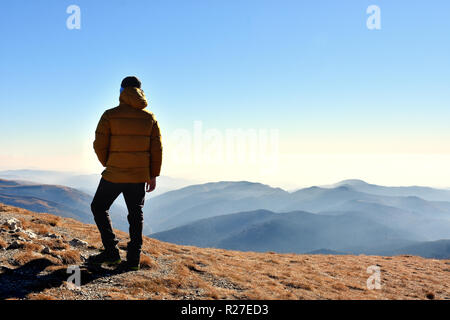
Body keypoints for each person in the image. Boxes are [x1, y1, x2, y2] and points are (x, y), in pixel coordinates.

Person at [89, 76, 163, 271]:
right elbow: (157, 149)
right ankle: (133, 260)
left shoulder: (109, 115)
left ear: (122, 91)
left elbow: (99, 145)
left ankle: (111, 252)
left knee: (98, 207)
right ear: (140, 91)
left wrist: (110, 162)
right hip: (139, 176)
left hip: (114, 174)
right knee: (135, 215)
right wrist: (153, 174)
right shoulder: (149, 118)